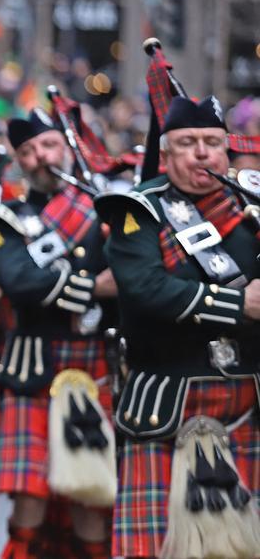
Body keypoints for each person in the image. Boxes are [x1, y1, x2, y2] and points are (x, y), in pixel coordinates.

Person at [98, 95, 260, 558]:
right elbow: (145, 288)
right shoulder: (136, 210)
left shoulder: (251, 208)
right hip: (164, 404)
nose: (203, 153)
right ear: (165, 154)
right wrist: (239, 305)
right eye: (188, 143)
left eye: (213, 142)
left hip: (247, 400)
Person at [0, 108, 118, 559]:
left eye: (49, 145)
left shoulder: (106, 209)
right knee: (28, 497)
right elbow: (17, 282)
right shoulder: (4, 217)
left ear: (68, 148)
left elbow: (131, 278)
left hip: (95, 365)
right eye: (28, 151)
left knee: (92, 496)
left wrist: (64, 285)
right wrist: (92, 285)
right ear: (18, 161)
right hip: (32, 368)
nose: (40, 156)